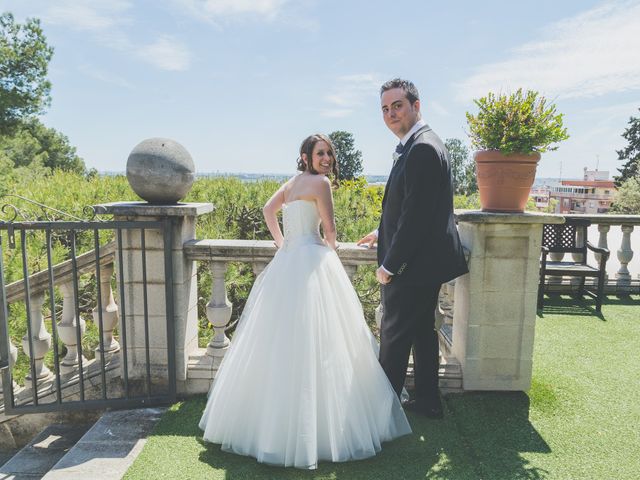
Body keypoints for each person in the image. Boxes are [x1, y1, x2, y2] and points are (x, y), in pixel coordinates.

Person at [199, 134, 411, 469]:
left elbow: (269, 210)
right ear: (306, 156)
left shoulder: (293, 182)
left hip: (289, 261)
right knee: (323, 342)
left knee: (281, 344)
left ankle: (270, 430)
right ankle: (323, 431)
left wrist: (283, 243)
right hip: (312, 259)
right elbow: (330, 228)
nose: (327, 159)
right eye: (320, 153)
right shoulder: (321, 183)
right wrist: (332, 246)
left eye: (329, 153)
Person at [357, 79, 468, 418]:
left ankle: (381, 412)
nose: (390, 114)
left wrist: (391, 265)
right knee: (422, 330)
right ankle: (428, 401)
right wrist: (382, 231)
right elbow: (414, 205)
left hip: (413, 266)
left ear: (416, 106)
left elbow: (417, 218)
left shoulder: (421, 147)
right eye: (385, 109)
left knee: (392, 335)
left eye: (397, 106)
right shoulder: (423, 143)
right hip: (426, 262)